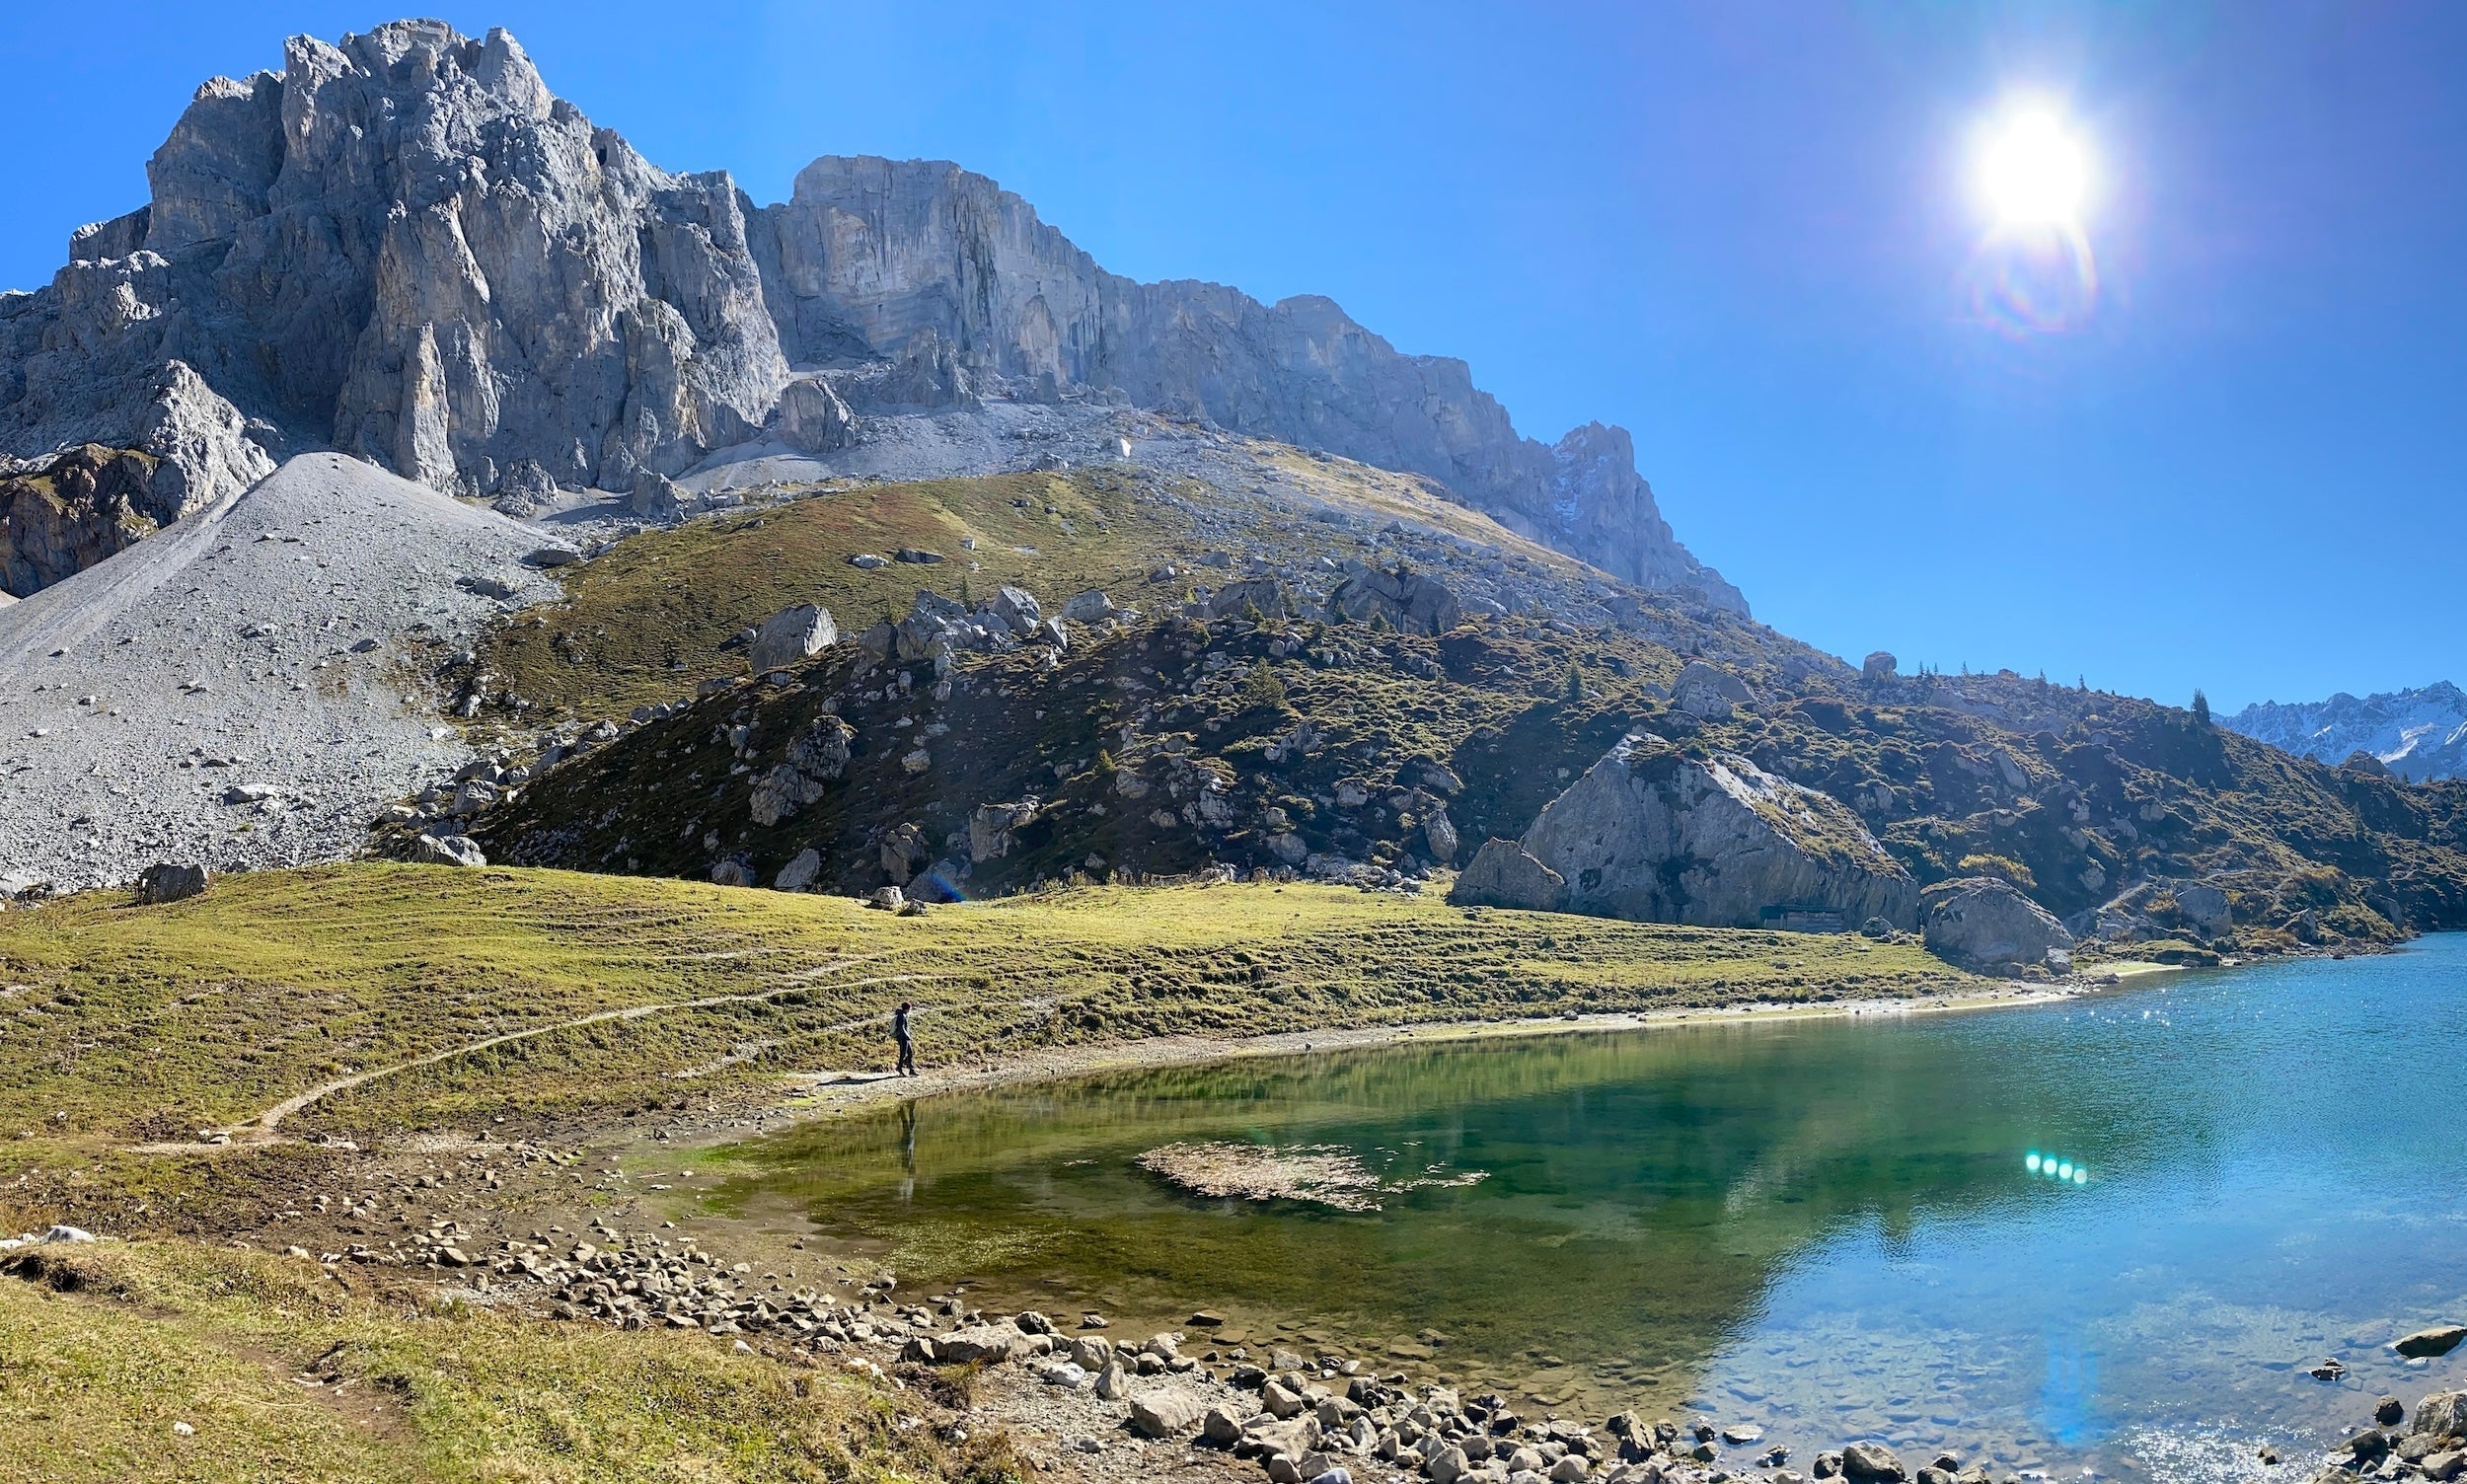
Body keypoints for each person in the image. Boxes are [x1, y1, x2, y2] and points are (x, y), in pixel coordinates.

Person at [892, 1001, 916, 1077]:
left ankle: (911, 1070)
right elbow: (901, 1027)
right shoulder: (901, 1015)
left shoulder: (903, 1015)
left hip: (905, 1037)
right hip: (903, 1037)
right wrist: (907, 1035)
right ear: (907, 1008)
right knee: (903, 1053)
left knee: (910, 1053)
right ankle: (900, 1068)